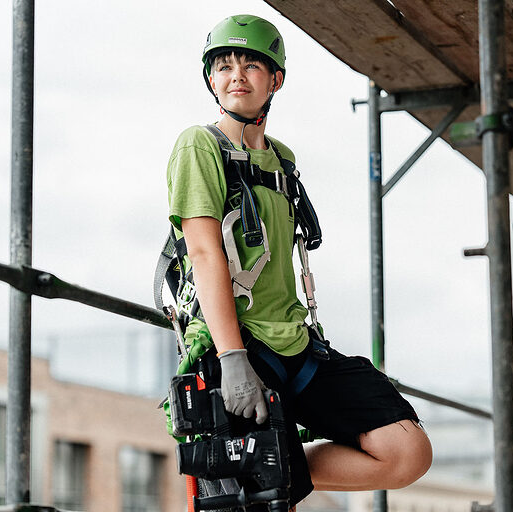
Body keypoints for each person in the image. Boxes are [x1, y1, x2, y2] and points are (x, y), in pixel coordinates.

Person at [165, 13, 432, 507]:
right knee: (265, 497)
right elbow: (203, 252)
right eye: (223, 66)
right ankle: (261, 472)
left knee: (406, 453)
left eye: (251, 65)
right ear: (210, 79)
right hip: (240, 348)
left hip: (297, 344)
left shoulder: (282, 160)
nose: (236, 75)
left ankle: (274, 468)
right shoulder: (199, 145)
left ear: (276, 80)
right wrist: (232, 359)